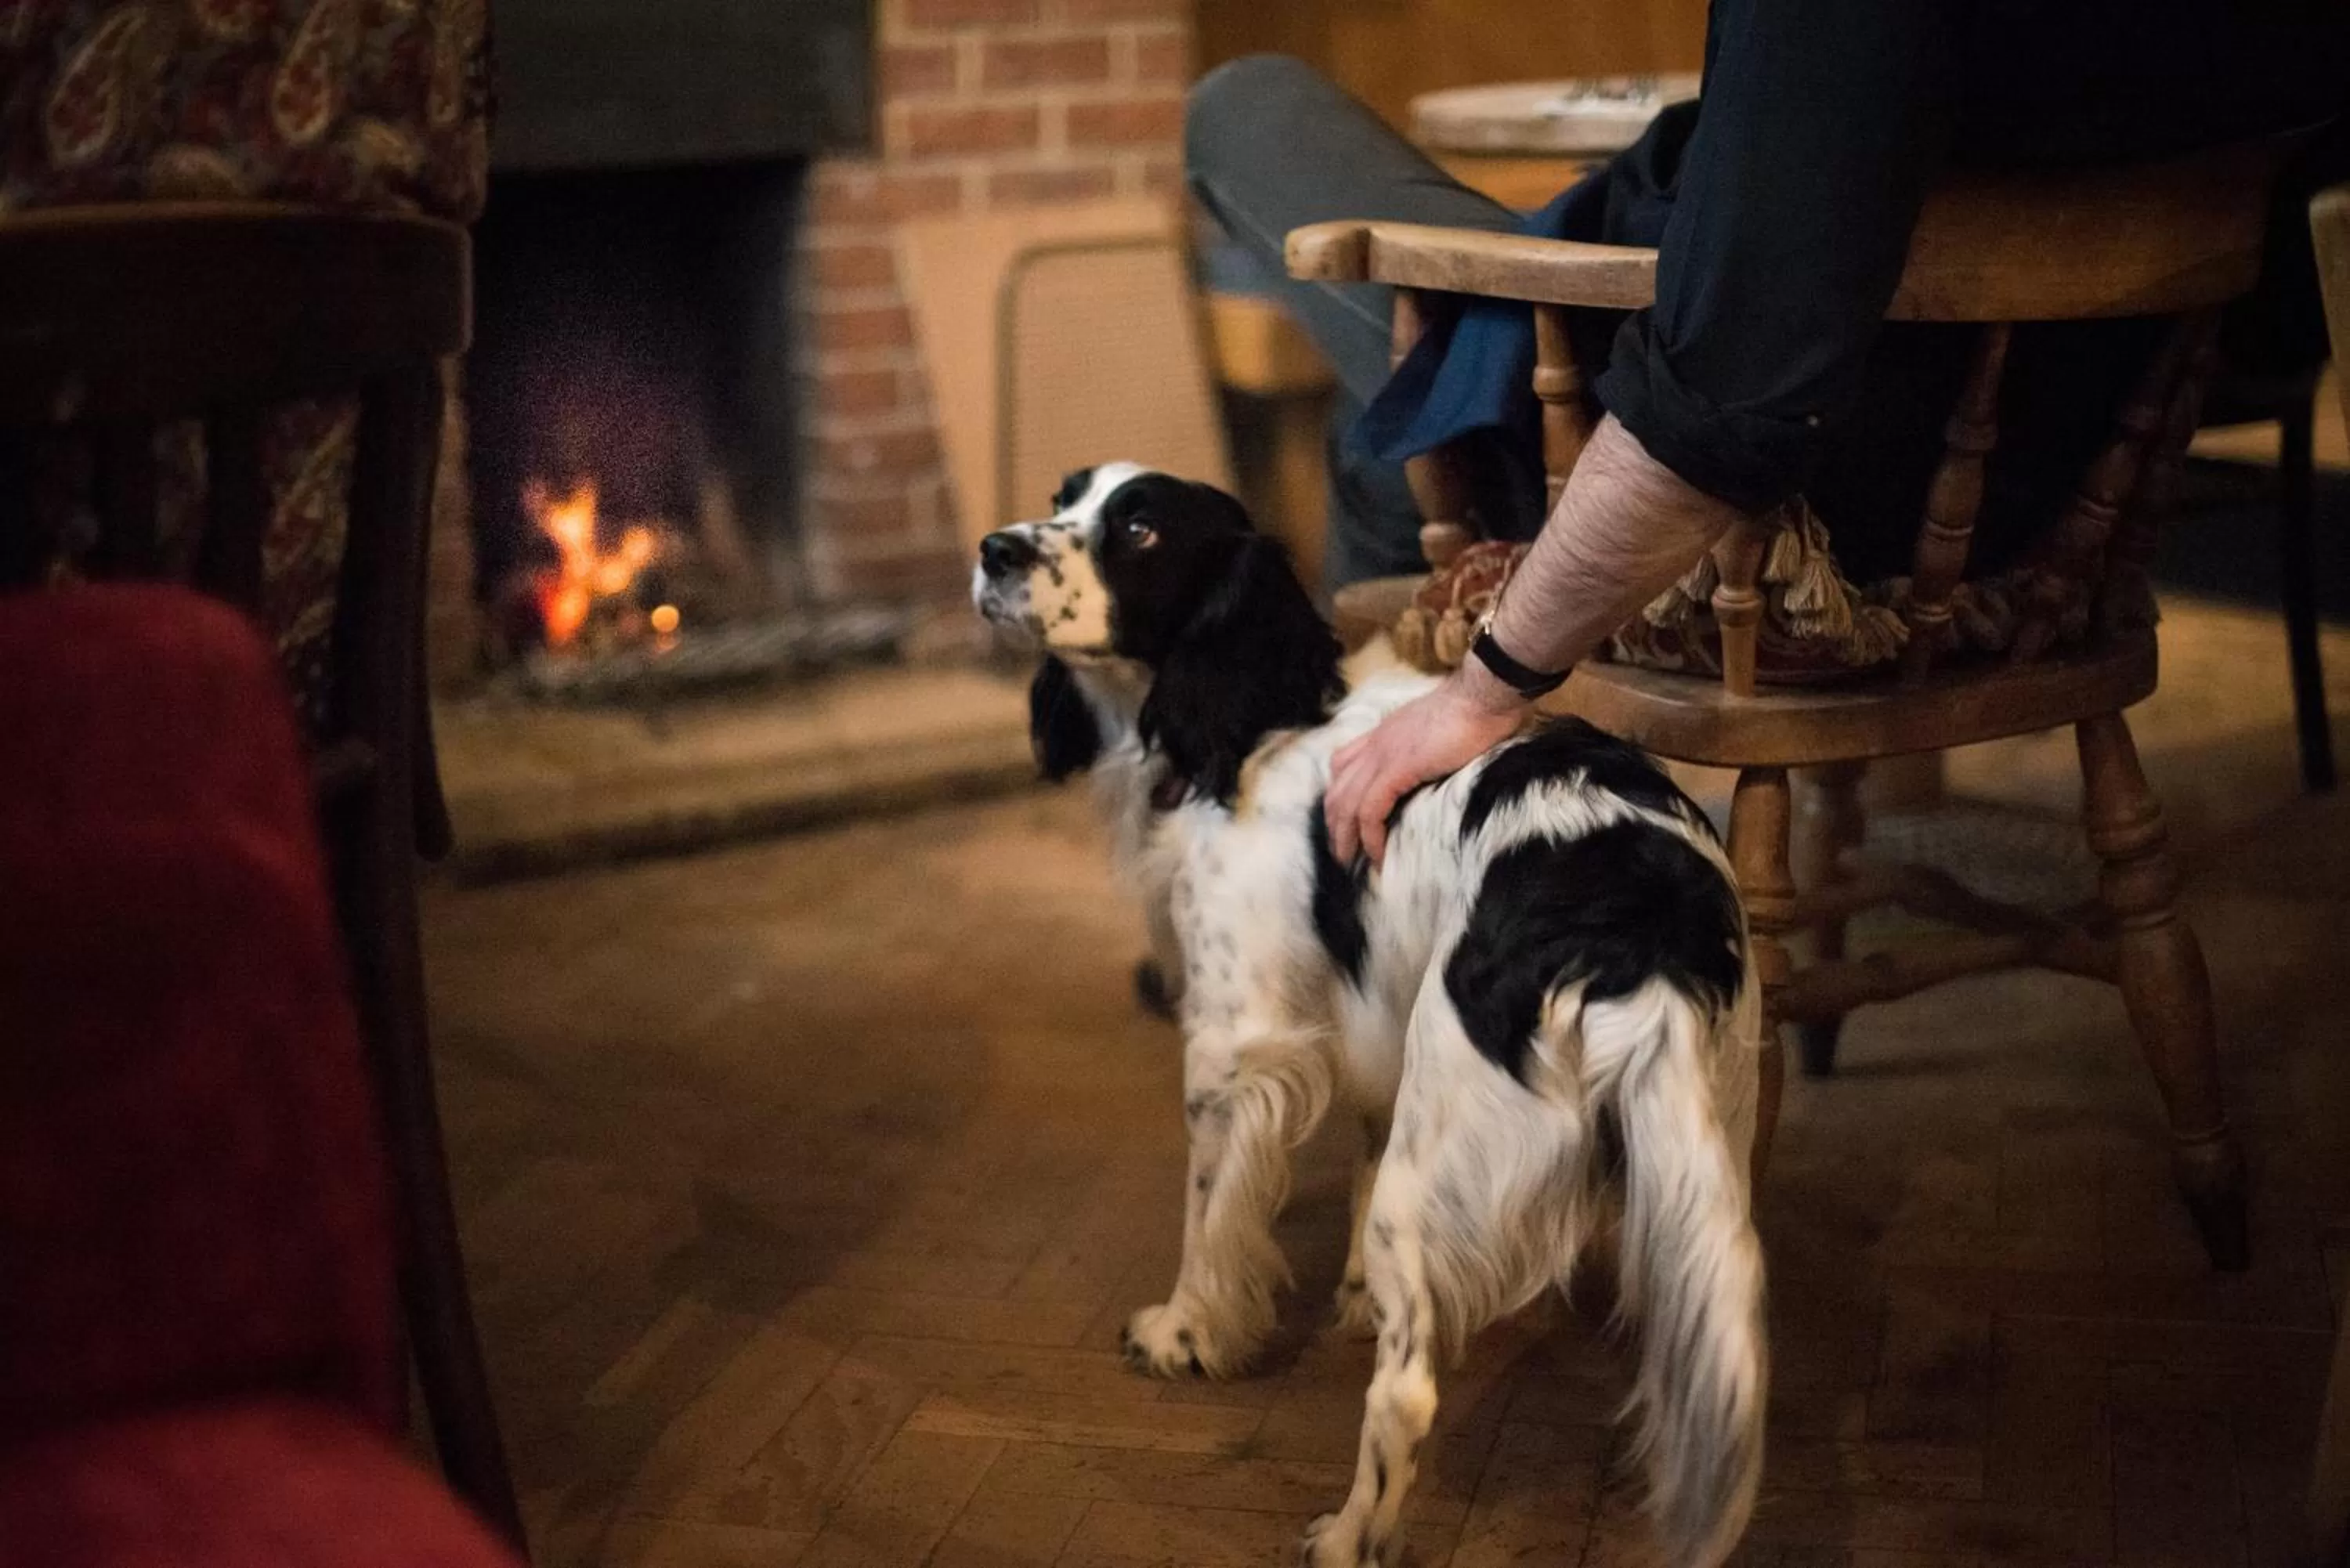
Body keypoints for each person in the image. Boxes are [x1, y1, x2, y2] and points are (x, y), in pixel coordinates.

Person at [1183, 2, 2350, 868]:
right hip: (2063, 473)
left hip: (1782, 521)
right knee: (1392, 406)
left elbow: (1720, 406)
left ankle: (1332, 860)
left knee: (1244, 115)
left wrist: (1482, 689)